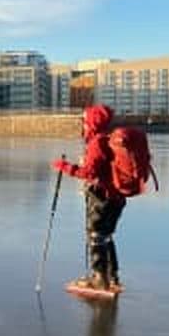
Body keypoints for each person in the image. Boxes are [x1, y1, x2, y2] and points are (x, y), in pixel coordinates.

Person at [52, 104, 125, 292]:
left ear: (93, 122)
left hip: (102, 196)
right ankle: (112, 276)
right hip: (117, 196)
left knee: (96, 235)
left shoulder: (97, 143)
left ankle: (100, 279)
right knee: (106, 235)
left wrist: (65, 167)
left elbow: (89, 172)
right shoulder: (109, 139)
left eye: (85, 120)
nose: (83, 124)